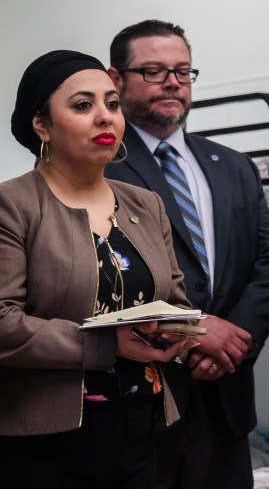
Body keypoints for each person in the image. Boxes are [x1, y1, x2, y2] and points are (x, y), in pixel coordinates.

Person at [105, 20, 269, 489]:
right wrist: (194, 335)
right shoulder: (100, 168)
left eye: (183, 72)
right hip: (144, 400)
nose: (172, 81)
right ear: (115, 79)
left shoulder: (232, 165)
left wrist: (235, 340)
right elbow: (104, 274)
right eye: (153, 70)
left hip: (226, 396)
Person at [0, 50, 196, 488]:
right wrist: (106, 345)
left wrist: (177, 331)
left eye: (112, 103)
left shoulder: (146, 204)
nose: (105, 118)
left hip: (144, 425)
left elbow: (176, 300)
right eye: (83, 105)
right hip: (47, 440)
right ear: (41, 124)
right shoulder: (12, 206)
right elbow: (3, 323)